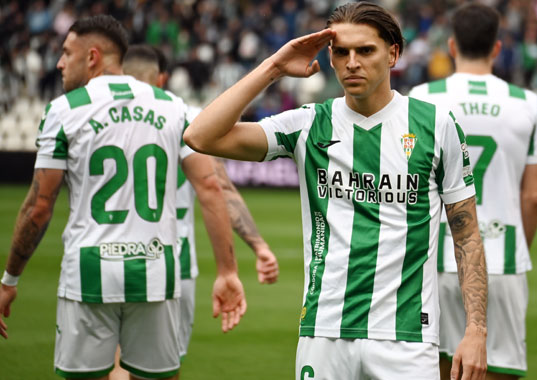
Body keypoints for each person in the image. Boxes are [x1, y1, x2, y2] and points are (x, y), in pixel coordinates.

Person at [183, 2, 488, 380]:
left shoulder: (436, 125)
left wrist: (476, 330)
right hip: (324, 332)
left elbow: (467, 234)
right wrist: (275, 67)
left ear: (393, 53)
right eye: (341, 52)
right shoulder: (309, 124)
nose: (352, 62)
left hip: (407, 338)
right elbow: (199, 135)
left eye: (365, 50)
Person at [0, 16, 246, 380]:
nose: (59, 63)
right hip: (157, 271)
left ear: (93, 57)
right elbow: (211, 188)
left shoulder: (63, 110)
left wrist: (9, 281)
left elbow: (39, 206)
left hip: (88, 274)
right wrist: (227, 271)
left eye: (67, 53)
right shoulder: (173, 107)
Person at [409, 3, 537, 379]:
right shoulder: (527, 103)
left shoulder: (422, 96)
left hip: (437, 261)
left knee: (438, 369)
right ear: (497, 48)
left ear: (451, 47)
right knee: (496, 369)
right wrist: (517, 245)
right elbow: (534, 197)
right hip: (502, 261)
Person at [122, 45, 279, 361]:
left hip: (105, 256)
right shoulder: (187, 117)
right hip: (171, 262)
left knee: (112, 361)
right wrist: (257, 247)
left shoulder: (93, 116)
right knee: (162, 368)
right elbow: (217, 187)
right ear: (163, 77)